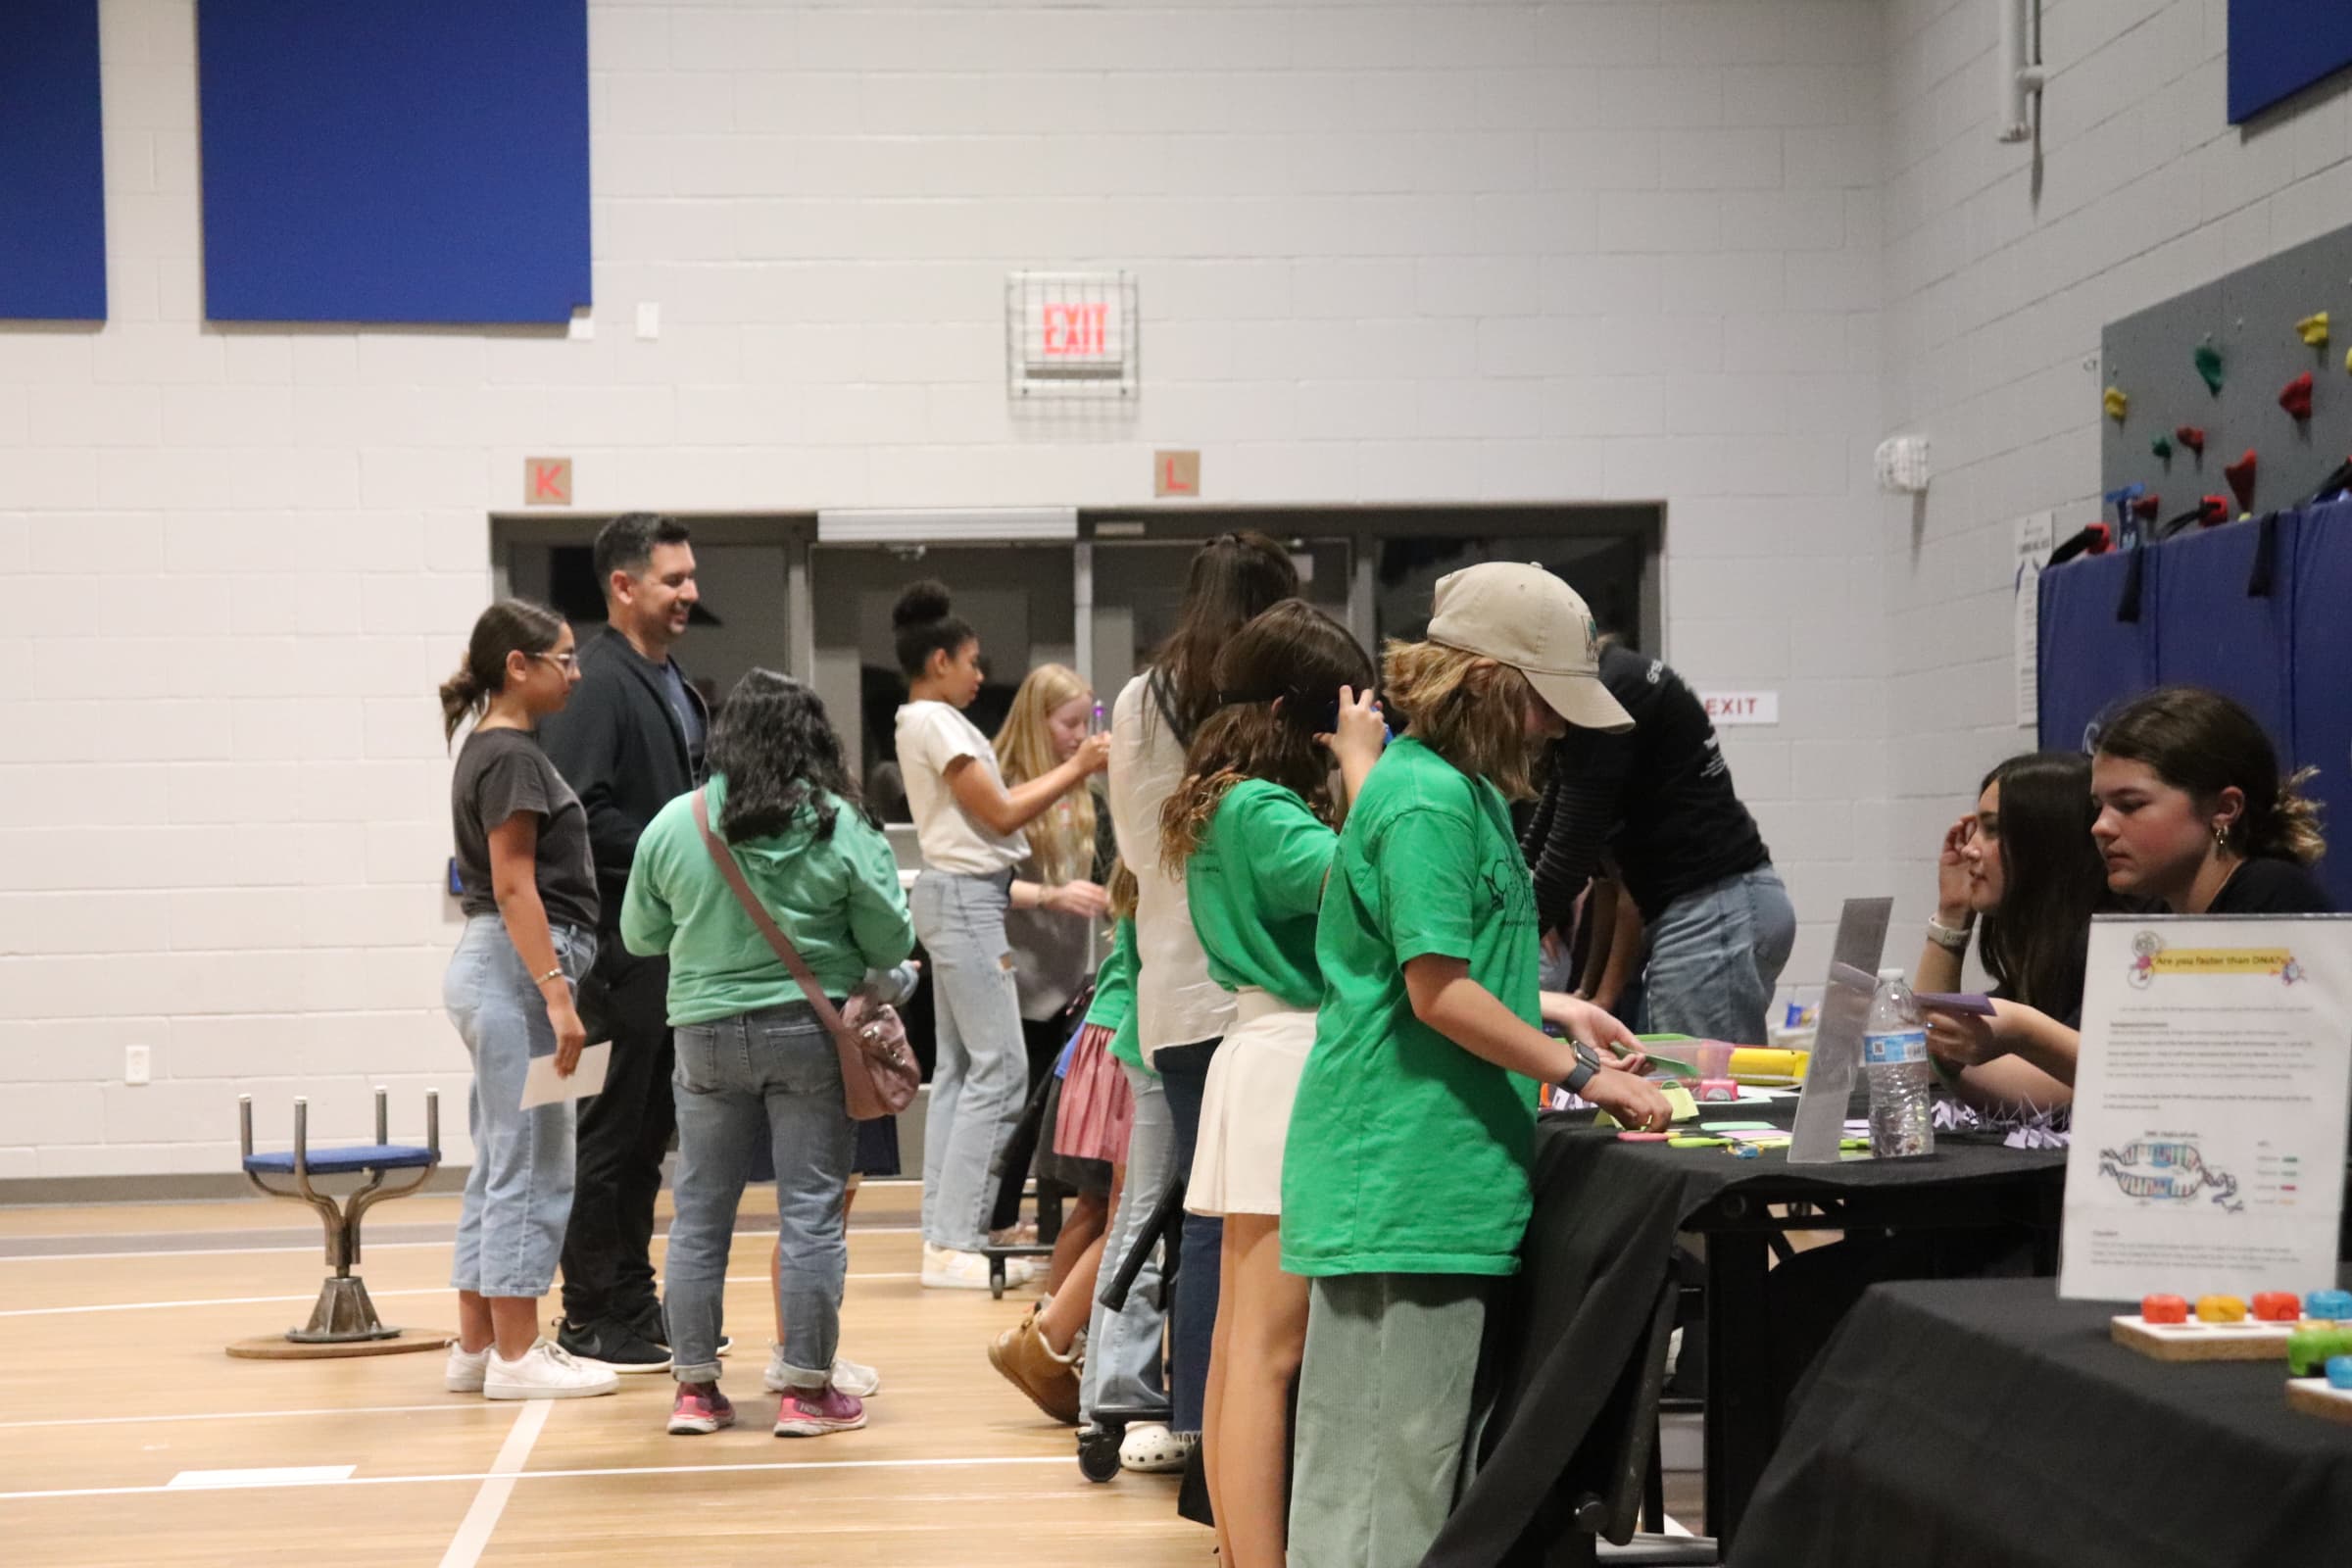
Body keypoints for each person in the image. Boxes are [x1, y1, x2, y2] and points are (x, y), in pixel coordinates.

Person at [1283, 564, 1670, 1568]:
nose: (1554, 728)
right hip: (1407, 1175)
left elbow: (1438, 962)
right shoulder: (1427, 801)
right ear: (1493, 683)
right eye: (1547, 702)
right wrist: (1588, 1074)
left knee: (1395, 1469)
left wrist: (1555, 1002)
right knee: (1384, 1486)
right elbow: (1434, 993)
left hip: (1434, 1176)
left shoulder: (1457, 791)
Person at [620, 670, 915, 1439]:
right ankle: (807, 1393)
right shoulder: (838, 823)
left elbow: (640, 936)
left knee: (698, 1216)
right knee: (811, 1215)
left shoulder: (675, 823)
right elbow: (893, 939)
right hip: (808, 1035)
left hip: (704, 1038)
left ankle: (694, 1390)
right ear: (812, 738)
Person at [1159, 601, 1385, 1568]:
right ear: (1308, 714)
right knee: (1270, 1348)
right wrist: (1366, 768)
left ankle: (1241, 1551)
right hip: (1290, 1059)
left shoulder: (1229, 796)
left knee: (1245, 1340)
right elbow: (1376, 874)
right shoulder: (1259, 806)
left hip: (1265, 1054)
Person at [1105, 530, 1299, 1463]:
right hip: (1267, 994)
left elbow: (1139, 856)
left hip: (1175, 984)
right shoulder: (1265, 710)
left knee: (1206, 1217)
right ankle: (1250, 1432)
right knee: (1261, 1225)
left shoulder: (1142, 699)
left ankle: (1199, 1423)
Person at [1924, 687, 2331, 1083]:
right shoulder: (2157, 920)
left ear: (2224, 809)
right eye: (2100, 806)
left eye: (2130, 805)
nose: (2100, 826)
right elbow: (2098, 1072)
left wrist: (2024, 1030)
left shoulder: (2271, 896)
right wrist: (1952, 916)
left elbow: (2191, 1075)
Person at [892, 581, 1110, 1289]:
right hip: (964, 900)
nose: (980, 675)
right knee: (1001, 1069)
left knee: (961, 1072)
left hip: (965, 898)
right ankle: (956, 1237)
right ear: (939, 660)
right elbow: (1002, 814)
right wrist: (1079, 767)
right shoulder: (933, 723)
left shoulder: (934, 722)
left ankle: (945, 1233)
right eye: (972, 661)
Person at [535, 513, 707, 1372]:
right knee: (609, 1133)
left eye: (690, 577)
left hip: (662, 951)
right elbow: (581, 812)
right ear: (623, 586)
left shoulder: (669, 680)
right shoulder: (599, 684)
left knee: (647, 1133)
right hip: (612, 954)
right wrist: (681, 850)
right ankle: (591, 1312)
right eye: (673, 580)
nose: (690, 593)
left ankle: (632, 1299)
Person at [437, 600, 619, 1401]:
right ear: (520, 664)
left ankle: (478, 1345)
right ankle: (517, 1355)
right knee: (535, 1163)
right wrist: (558, 996)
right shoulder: (510, 755)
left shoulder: (492, 747)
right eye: (565, 658)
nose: (576, 674)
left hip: (496, 971)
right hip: (518, 973)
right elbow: (515, 885)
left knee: (503, 1158)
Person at [1522, 632, 1792, 1045]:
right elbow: (1555, 822)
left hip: (1714, 910)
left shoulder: (1606, 695)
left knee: (1699, 1095)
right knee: (1682, 1084)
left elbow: (1568, 854)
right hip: (1722, 905)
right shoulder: (1611, 679)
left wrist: (1503, 940)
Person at [989, 859, 1141, 1426]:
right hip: (1126, 1042)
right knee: (1128, 1215)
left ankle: (1047, 1336)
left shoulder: (1137, 860)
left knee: (1097, 1207)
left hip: (1094, 1040)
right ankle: (1046, 1345)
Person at [1915, 752, 2121, 1110]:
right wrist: (1951, 912)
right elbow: (1925, 1056)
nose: (1969, 849)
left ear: (2044, 843)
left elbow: (2048, 1093)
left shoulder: (2102, 943)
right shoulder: (2040, 946)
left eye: (1991, 830)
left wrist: (1941, 1054)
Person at [993, 664, 1113, 1269]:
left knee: (1053, 1107)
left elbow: (1112, 872)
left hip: (1068, 980)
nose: (1080, 736)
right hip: (1012, 975)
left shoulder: (1089, 795)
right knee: (1011, 1105)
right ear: (1038, 723)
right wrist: (1050, 895)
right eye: (1069, 724)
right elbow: (980, 880)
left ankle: (1038, 1222)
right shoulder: (1002, 784)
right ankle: (995, 1220)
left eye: (1086, 723)